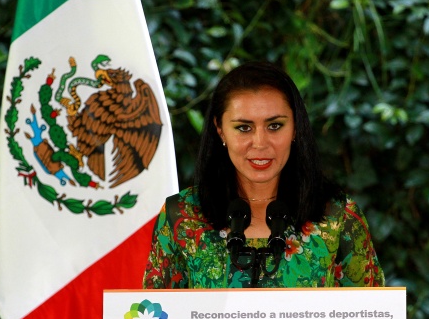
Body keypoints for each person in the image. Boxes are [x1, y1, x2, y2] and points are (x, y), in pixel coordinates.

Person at [143, 61, 384, 289]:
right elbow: (154, 314)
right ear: (220, 130)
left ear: (295, 128)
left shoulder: (338, 216)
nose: (260, 143)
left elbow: (372, 313)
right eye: (243, 128)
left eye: (274, 126)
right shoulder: (182, 215)